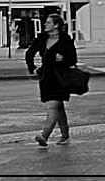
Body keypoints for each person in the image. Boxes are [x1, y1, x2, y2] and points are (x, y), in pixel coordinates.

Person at [25, 13, 78, 146]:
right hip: (46, 76)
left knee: (53, 105)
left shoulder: (65, 39)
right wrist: (33, 68)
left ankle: (45, 135)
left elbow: (73, 59)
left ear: (56, 25)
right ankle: (65, 135)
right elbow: (29, 53)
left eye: (48, 22)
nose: (45, 24)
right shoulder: (42, 38)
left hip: (61, 76)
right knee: (58, 106)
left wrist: (63, 59)